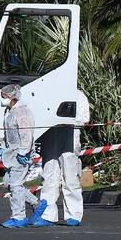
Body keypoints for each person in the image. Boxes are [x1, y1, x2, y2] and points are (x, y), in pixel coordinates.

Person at [32, 89, 90, 227]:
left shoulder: (78, 95)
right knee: (49, 175)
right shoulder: (48, 91)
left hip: (70, 135)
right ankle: (47, 214)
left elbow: (84, 119)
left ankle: (73, 214)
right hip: (50, 134)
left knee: (70, 176)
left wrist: (68, 120)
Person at [0, 84, 40, 228]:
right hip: (11, 153)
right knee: (10, 183)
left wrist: (23, 152)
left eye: (3, 97)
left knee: (15, 185)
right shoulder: (9, 111)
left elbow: (26, 134)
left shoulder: (22, 112)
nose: (2, 100)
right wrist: (3, 148)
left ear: (11, 97)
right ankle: (36, 203)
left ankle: (19, 217)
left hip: (21, 153)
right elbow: (8, 134)